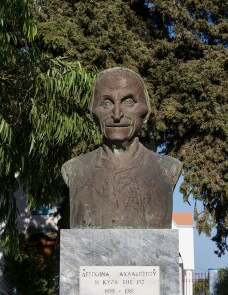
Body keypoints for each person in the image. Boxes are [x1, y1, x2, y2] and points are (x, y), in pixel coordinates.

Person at [61, 67, 181, 228]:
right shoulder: (74, 170)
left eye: (128, 102)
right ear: (94, 112)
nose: (117, 114)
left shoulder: (166, 169)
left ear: (144, 110)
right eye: (107, 103)